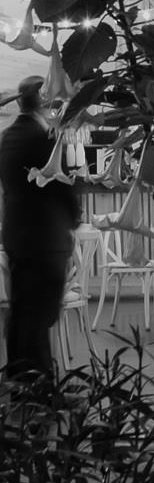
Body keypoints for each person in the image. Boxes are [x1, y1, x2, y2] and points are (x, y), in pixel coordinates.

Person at [1, 77, 81, 378]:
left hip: (18, 235)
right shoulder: (43, 137)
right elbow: (62, 186)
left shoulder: (9, 135)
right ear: (47, 103)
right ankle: (40, 387)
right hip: (44, 238)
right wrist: (74, 218)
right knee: (38, 314)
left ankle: (20, 379)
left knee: (23, 312)